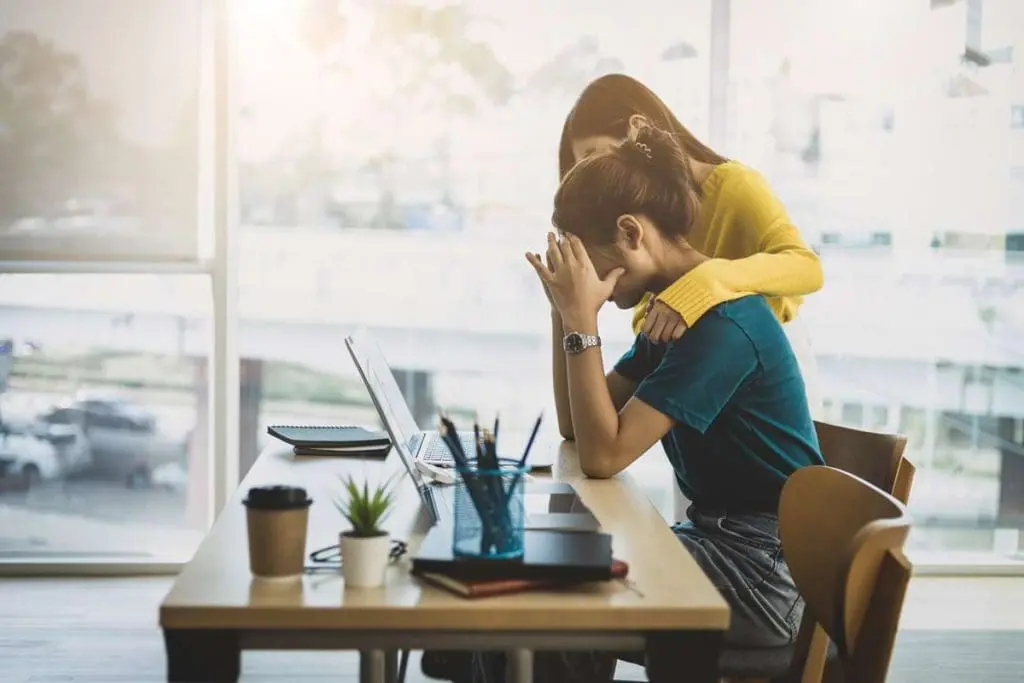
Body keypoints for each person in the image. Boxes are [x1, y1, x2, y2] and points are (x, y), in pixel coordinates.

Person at [553, 73, 825, 436]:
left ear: (637, 130)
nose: (592, 178)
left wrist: (705, 281)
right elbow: (578, 429)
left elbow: (806, 267)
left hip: (754, 380)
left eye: (593, 156)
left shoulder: (733, 187)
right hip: (686, 366)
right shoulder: (648, 226)